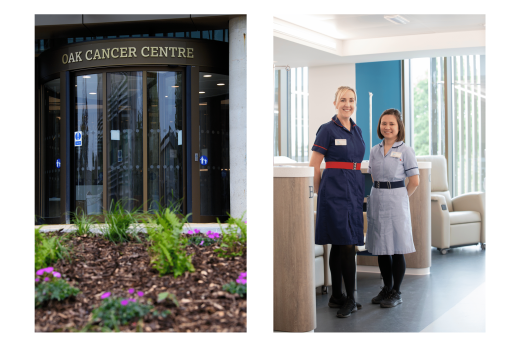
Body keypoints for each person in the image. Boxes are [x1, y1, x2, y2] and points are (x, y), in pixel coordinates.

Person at [309, 86, 365, 318]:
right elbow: (313, 164)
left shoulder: (357, 130)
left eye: (351, 100)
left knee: (342, 243)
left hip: (353, 189)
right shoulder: (327, 130)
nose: (347, 104)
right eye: (343, 100)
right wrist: (321, 192)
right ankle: (349, 298)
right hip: (333, 192)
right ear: (335, 103)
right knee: (346, 244)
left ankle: (337, 297)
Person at [365, 108, 420, 308]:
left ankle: (396, 291)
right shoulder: (374, 150)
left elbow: (414, 181)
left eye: (391, 124)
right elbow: (372, 176)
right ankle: (386, 288)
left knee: (396, 248)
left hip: (397, 199)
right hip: (377, 198)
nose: (387, 127)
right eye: (384, 123)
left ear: (399, 127)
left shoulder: (406, 150)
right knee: (381, 248)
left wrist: (401, 197)